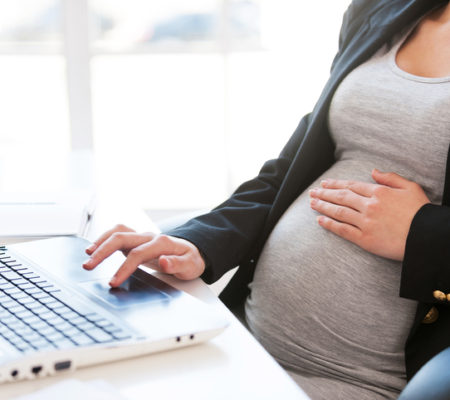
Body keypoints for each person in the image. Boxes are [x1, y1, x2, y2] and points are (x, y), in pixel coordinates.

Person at [82, 0, 450, 398]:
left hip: (358, 382)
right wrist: (198, 242)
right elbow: (290, 172)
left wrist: (422, 234)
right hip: (241, 344)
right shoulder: (383, 9)